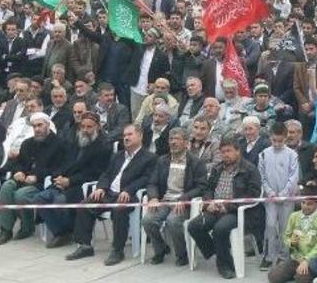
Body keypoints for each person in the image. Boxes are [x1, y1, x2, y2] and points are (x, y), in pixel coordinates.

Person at [65, 123, 157, 265]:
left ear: (140, 136)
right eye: (124, 135)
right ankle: (85, 245)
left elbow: (146, 178)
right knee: (84, 205)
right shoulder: (118, 156)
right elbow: (106, 174)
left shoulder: (149, 158)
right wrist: (101, 187)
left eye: (130, 135)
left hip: (128, 195)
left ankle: (117, 250)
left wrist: (129, 189)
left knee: (119, 209)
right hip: (109, 193)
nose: (126, 138)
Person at [187, 136, 263, 280]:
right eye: (222, 152)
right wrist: (209, 202)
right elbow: (208, 189)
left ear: (238, 151)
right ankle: (219, 252)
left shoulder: (249, 169)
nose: (225, 155)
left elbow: (253, 194)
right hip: (214, 208)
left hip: (235, 211)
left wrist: (227, 206)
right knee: (193, 226)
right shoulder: (217, 168)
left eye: (228, 151)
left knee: (220, 229)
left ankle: (224, 265)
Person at [35, 111, 112, 248]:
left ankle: (70, 231)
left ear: (97, 127)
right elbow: (65, 163)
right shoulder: (77, 141)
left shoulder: (103, 146)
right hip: (66, 181)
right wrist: (58, 176)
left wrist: (70, 181)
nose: (85, 130)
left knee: (60, 201)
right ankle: (62, 232)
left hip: (83, 186)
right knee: (40, 198)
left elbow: (95, 173)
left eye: (89, 127)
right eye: (83, 127)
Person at [0, 112, 65, 245]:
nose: (37, 129)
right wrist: (18, 172)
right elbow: (18, 163)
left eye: (40, 125)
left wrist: (37, 176)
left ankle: (27, 227)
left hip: (42, 182)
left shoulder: (59, 144)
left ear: (48, 125)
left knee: (21, 195)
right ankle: (5, 229)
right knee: (6, 187)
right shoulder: (27, 143)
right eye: (34, 126)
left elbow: (59, 169)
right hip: (23, 179)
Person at [142, 127, 207, 266]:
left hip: (183, 202)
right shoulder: (162, 161)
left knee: (173, 221)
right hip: (165, 200)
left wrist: (184, 198)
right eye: (171, 139)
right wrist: (153, 197)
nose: (173, 142)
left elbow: (201, 187)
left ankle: (182, 254)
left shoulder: (196, 162)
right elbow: (152, 183)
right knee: (148, 220)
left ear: (185, 143)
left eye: (177, 139)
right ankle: (161, 250)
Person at [259, 121, 301, 270]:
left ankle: (283, 256)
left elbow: (293, 177)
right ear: (270, 137)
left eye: (280, 141)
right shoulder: (264, 154)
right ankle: (269, 256)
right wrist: (270, 192)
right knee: (270, 225)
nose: (277, 144)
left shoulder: (292, 154)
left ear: (285, 138)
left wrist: (283, 194)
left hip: (286, 198)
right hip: (270, 197)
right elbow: (262, 176)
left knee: (285, 227)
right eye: (274, 140)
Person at [267, 185, 317, 283]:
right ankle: (296, 272)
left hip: (312, 260)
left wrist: (307, 260)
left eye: (309, 204)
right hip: (295, 258)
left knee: (301, 279)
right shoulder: (294, 216)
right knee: (273, 276)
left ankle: (311, 274)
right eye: (303, 203)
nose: (305, 206)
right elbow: (286, 236)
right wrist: (291, 242)